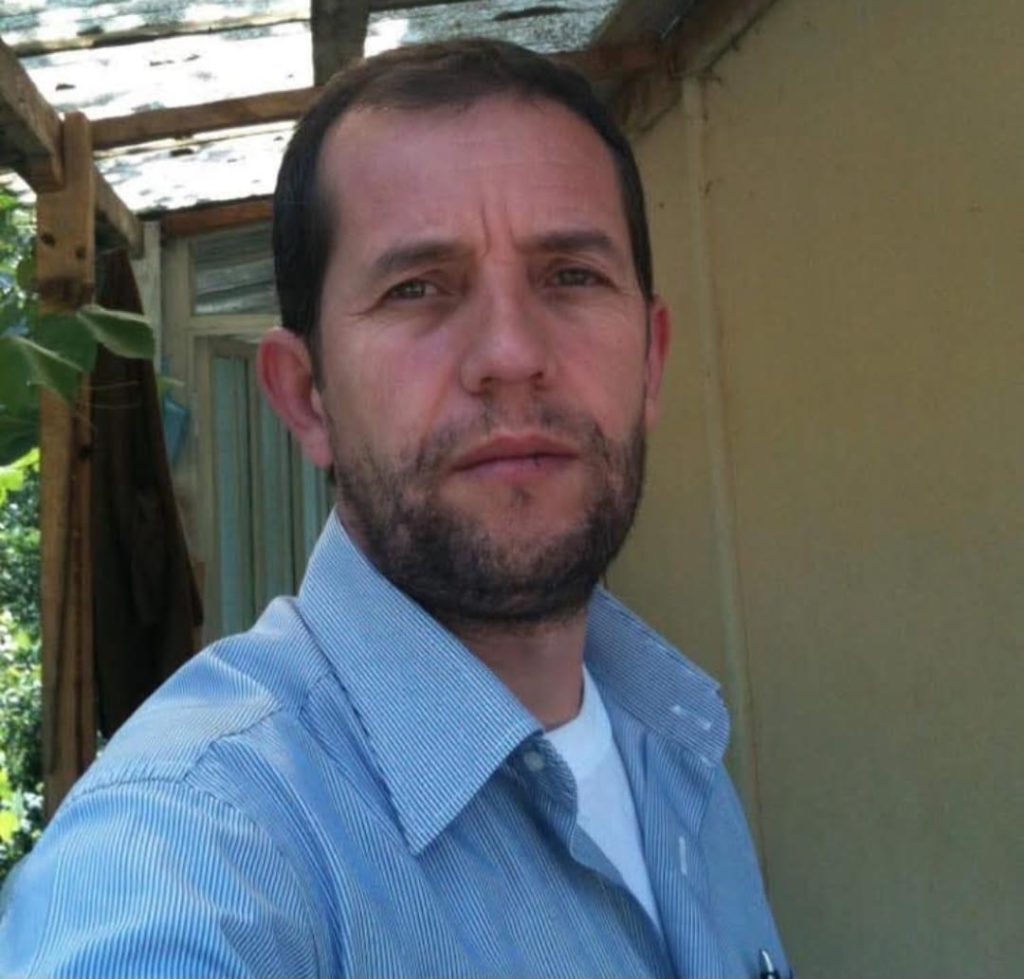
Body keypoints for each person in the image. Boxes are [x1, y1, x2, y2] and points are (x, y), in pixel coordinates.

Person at [0, 40, 790, 978]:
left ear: (651, 362)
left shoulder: (674, 738)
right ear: (305, 397)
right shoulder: (194, 837)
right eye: (417, 288)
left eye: (571, 275)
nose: (510, 354)